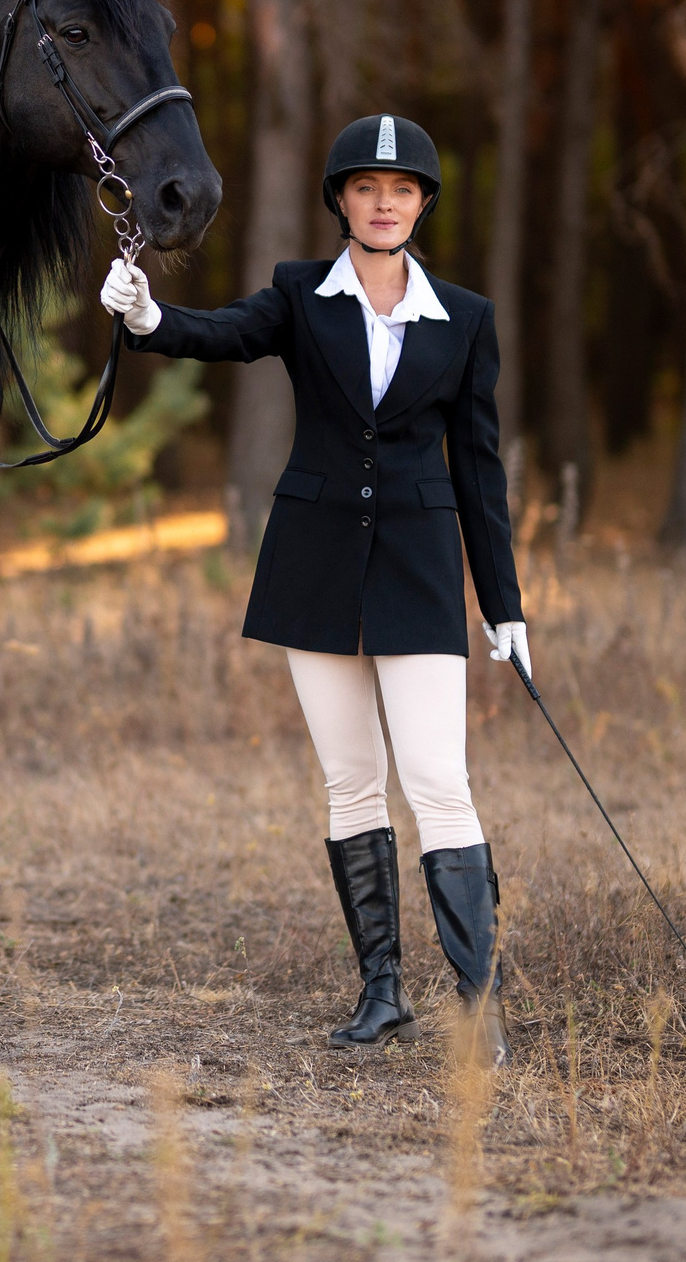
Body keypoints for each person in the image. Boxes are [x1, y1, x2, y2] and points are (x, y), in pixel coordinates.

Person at [99, 114, 524, 1065]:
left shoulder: (466, 318)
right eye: (367, 187)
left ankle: (478, 997)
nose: (383, 202)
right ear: (341, 198)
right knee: (351, 782)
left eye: (402, 189)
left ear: (422, 204)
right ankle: (381, 992)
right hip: (316, 564)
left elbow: (481, 474)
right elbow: (222, 335)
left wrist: (504, 605)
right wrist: (146, 318)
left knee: (438, 782)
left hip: (417, 572)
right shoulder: (301, 294)